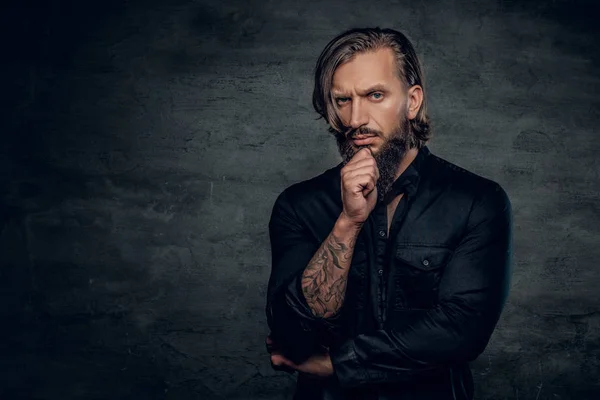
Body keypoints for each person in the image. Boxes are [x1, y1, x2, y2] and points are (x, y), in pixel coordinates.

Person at [265, 27, 512, 400]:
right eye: (342, 100)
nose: (355, 119)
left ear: (412, 101)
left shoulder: (476, 201)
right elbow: (291, 337)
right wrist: (348, 224)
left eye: (375, 95)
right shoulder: (299, 205)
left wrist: (338, 364)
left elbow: (462, 330)